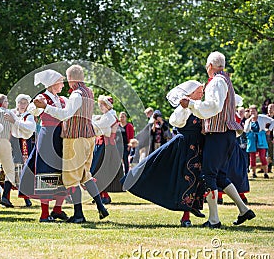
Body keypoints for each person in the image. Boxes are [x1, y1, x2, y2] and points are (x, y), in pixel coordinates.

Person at [180, 51, 255, 228]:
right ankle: (244, 210)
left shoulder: (216, 82)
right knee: (220, 175)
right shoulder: (225, 80)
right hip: (227, 134)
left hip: (219, 134)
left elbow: (213, 106)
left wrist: (190, 104)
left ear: (210, 66)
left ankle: (214, 220)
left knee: (208, 175)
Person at [123, 80, 206, 228]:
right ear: (191, 93)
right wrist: (184, 107)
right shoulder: (184, 109)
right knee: (184, 179)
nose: (202, 94)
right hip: (184, 147)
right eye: (199, 92)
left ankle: (193, 207)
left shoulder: (200, 106)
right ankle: (185, 216)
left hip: (198, 147)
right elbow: (175, 122)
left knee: (197, 179)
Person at [34, 65, 109, 223]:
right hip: (88, 136)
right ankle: (101, 207)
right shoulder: (89, 91)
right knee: (84, 174)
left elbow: (65, 115)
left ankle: (79, 214)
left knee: (71, 177)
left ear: (71, 79)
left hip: (75, 138)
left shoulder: (76, 94)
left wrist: (45, 107)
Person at [20, 70, 69, 222]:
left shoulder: (61, 99)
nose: (62, 84)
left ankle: (57, 209)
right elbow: (32, 111)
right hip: (48, 135)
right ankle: (44, 213)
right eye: (60, 82)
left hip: (60, 136)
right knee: (46, 171)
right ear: (53, 83)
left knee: (62, 171)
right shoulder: (42, 97)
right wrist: (36, 105)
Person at [90, 95, 123, 204]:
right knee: (98, 170)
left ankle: (104, 195)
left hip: (106, 146)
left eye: (102, 105)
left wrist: (91, 120)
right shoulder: (107, 115)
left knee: (101, 170)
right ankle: (101, 195)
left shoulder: (109, 116)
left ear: (107, 105)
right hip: (102, 145)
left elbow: (98, 127)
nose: (100, 107)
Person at [9, 94, 36, 207]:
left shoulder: (28, 116)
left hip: (24, 143)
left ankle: (26, 197)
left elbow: (30, 128)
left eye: (25, 103)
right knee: (10, 168)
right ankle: (6, 196)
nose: (22, 105)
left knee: (22, 169)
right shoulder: (13, 113)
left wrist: (15, 121)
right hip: (13, 142)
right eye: (20, 102)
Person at [0, 94, 16, 208]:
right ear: (3, 102)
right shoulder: (9, 113)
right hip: (4, 141)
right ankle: (5, 196)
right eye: (6, 101)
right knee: (9, 170)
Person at [244, 105, 274, 179]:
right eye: (251, 111)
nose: (252, 112)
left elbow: (272, 121)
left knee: (262, 156)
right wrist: (249, 120)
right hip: (252, 139)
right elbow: (246, 130)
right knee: (252, 157)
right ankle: (253, 173)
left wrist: (269, 130)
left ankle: (266, 173)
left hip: (261, 138)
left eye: (254, 111)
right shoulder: (248, 120)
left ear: (257, 111)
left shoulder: (262, 117)